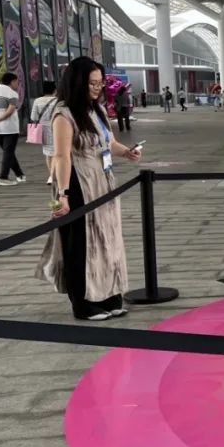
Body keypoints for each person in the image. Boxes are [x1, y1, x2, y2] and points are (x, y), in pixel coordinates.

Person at [35, 56, 142, 321]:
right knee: (83, 243)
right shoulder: (64, 114)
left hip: (103, 183)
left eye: (100, 83)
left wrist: (126, 152)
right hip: (78, 184)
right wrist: (63, 195)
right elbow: (62, 156)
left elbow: (109, 143)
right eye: (92, 83)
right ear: (77, 82)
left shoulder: (98, 110)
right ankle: (84, 302)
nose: (97, 88)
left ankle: (109, 295)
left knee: (107, 239)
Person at [0, 72, 24, 186]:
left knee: (8, 152)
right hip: (10, 128)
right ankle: (3, 177)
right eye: (17, 82)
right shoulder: (12, 93)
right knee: (8, 153)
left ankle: (20, 175)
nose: (17, 84)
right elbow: (10, 111)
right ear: (12, 81)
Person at [29, 80, 58, 185]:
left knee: (48, 153)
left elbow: (33, 117)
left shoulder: (37, 101)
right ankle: (53, 175)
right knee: (56, 152)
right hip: (56, 128)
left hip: (43, 130)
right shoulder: (58, 101)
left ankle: (51, 175)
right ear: (55, 90)